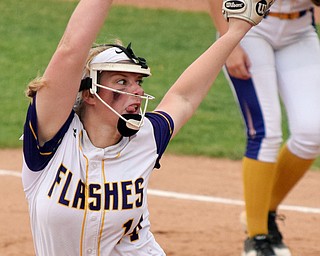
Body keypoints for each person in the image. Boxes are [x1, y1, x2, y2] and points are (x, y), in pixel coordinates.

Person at [20, 0, 273, 255]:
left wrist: (237, 31)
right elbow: (70, 50)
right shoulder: (51, 139)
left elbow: (183, 98)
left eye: (138, 82)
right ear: (90, 94)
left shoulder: (146, 137)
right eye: (122, 81)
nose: (138, 91)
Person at [208, 0, 320, 255]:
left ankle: (262, 212)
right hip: (248, 27)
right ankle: (257, 238)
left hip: (300, 30)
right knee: (265, 133)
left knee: (313, 132)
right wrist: (230, 42)